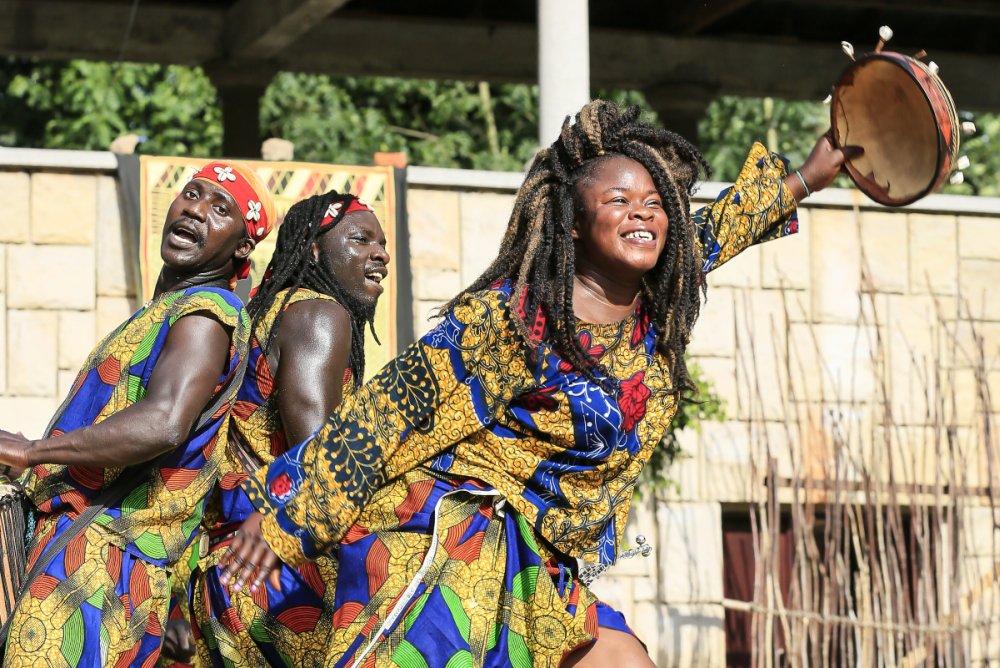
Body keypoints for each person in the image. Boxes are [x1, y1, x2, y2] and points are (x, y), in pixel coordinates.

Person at [223, 100, 855, 666]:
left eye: (655, 203)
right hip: (452, 549)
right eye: (617, 201)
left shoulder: (660, 294)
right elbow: (390, 409)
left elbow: (718, 231)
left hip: (545, 567)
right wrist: (287, 522)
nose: (642, 214)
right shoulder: (515, 319)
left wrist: (809, 174)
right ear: (573, 225)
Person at [0, 160, 275, 668]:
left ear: (242, 246)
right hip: (91, 555)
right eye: (191, 194)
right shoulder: (169, 309)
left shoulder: (206, 312)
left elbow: (164, 421)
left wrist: (34, 451)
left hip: (97, 573)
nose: (195, 210)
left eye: (220, 209)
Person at [188, 191, 390, 667]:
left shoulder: (274, 311)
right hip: (280, 571)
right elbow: (319, 455)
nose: (380, 254)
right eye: (360, 239)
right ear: (314, 249)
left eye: (382, 244)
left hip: (235, 565)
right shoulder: (320, 313)